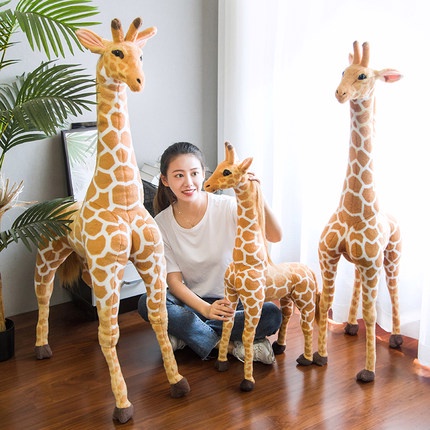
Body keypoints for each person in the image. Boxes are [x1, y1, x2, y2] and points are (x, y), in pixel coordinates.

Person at [138, 142, 283, 364]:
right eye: (179, 175)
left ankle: (189, 336)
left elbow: (275, 235)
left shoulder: (228, 206)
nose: (188, 182)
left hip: (237, 303)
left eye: (194, 173)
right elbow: (173, 282)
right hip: (195, 303)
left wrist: (257, 193)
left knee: (272, 314)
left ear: (204, 174)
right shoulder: (161, 224)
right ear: (165, 180)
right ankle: (230, 346)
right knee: (147, 302)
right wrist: (206, 309)